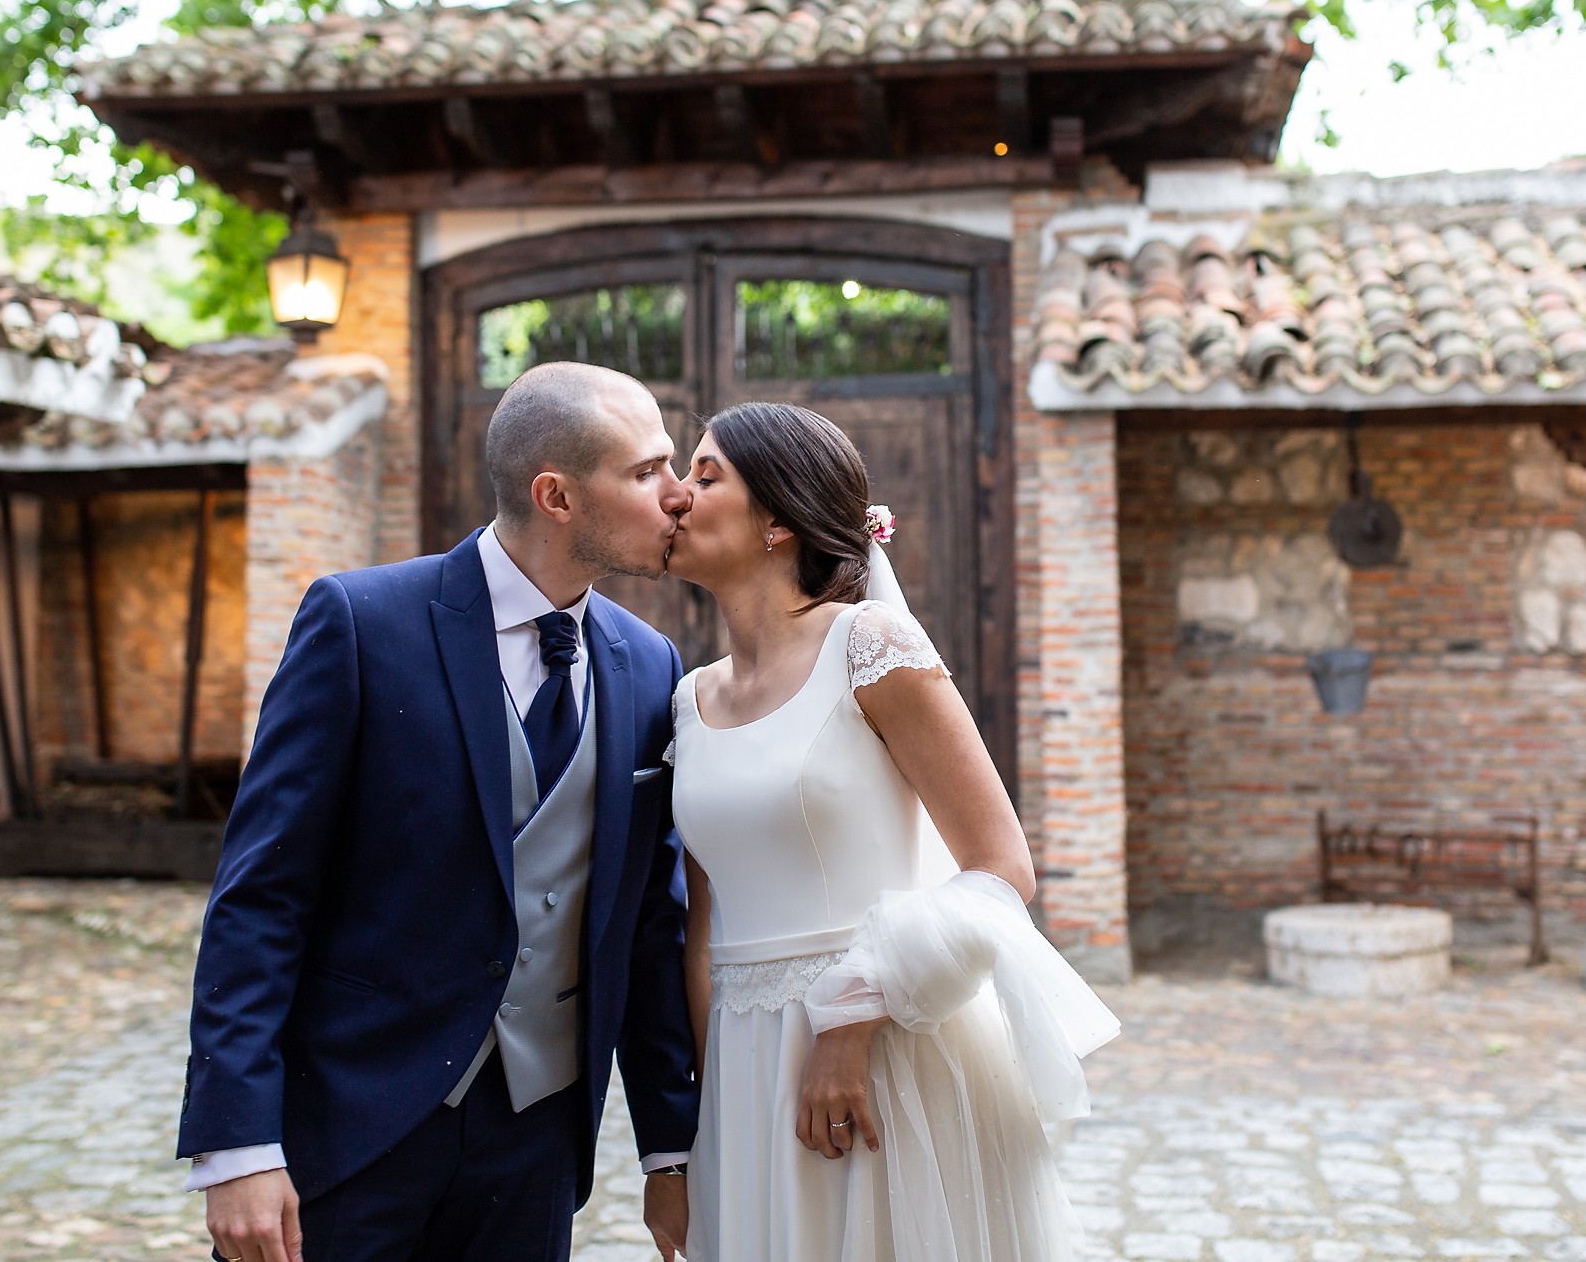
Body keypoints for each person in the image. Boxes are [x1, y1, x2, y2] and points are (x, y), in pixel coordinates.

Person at [179, 362, 699, 1262]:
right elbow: (261, 894)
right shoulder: (361, 622)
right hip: (349, 1126)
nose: (679, 494)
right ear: (558, 495)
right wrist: (237, 1144)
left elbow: (648, 924)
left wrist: (671, 1146)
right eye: (648, 470)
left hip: (535, 1141)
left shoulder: (649, 664)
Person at [663, 401, 1119, 1262]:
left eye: (705, 473)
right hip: (742, 1071)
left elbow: (1000, 866)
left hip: (885, 1055)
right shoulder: (689, 699)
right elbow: (703, 923)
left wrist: (852, 1020)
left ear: (780, 522)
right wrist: (707, 1114)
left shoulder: (870, 645)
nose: (676, 497)